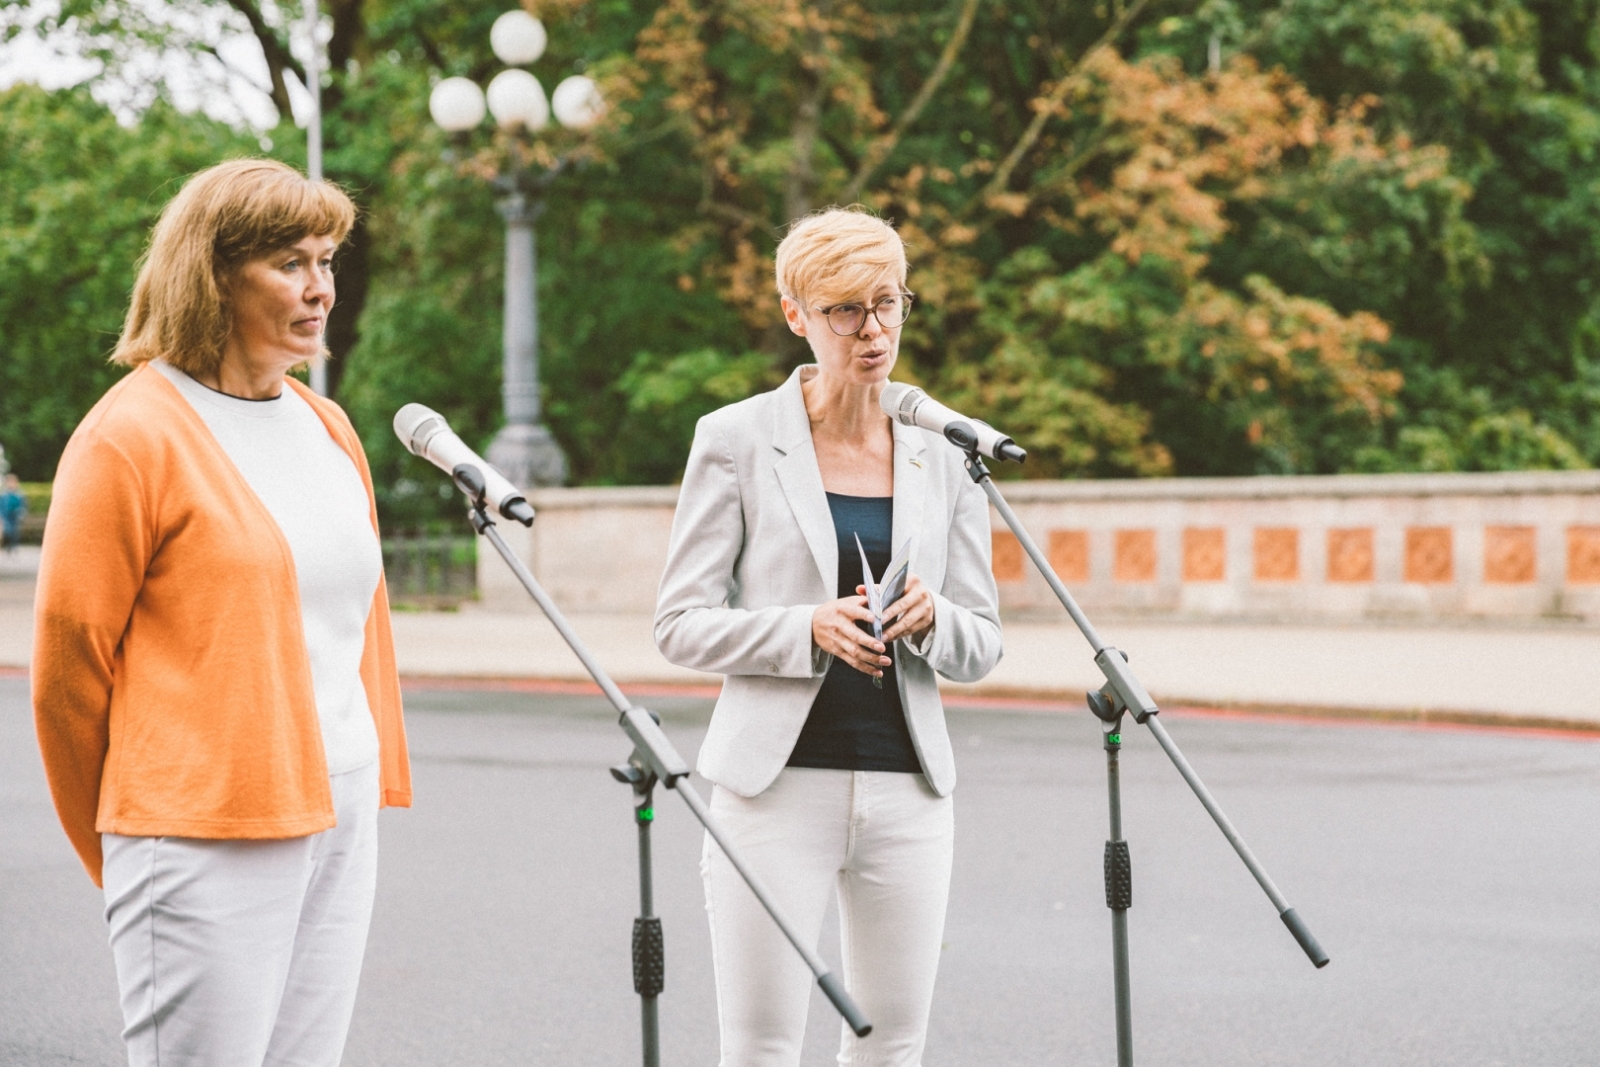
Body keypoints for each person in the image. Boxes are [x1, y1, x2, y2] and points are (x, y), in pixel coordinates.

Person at [32, 158, 410, 1067]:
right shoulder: (131, 435)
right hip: (201, 829)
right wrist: (129, 842)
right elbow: (67, 671)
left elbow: (348, 627)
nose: (320, 288)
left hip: (340, 805)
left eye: (327, 260)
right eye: (289, 263)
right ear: (211, 273)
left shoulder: (327, 425)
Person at [655, 207, 1003, 1066]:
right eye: (845, 309)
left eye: (888, 302)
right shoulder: (734, 438)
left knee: (894, 1045)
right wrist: (804, 628)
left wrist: (933, 620)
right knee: (764, 1047)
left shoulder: (945, 450)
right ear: (795, 315)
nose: (873, 330)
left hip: (910, 790)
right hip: (773, 791)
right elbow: (678, 623)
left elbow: (983, 640)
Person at [0, 472, 24, 551]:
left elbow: (22, 506)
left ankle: (13, 547)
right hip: (6, 517)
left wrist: (20, 513)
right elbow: (2, 506)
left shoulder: (19, 494)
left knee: (14, 532)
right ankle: (7, 546)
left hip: (15, 516)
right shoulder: (4, 495)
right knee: (7, 531)